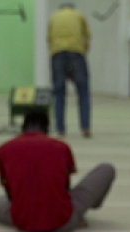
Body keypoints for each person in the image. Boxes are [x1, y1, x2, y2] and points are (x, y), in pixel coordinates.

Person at [0, 110, 114, 232]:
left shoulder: (2, 150)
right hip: (63, 220)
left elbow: (10, 195)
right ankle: (81, 212)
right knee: (106, 169)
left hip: (22, 221)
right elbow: (65, 188)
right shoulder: (61, 147)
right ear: (47, 128)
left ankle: (33, 215)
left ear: (22, 127)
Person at [48, 3, 91, 138]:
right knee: (83, 92)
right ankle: (85, 128)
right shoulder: (79, 15)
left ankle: (60, 129)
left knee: (59, 93)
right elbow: (87, 38)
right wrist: (82, 55)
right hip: (76, 53)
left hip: (57, 54)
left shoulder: (54, 17)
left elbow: (49, 40)